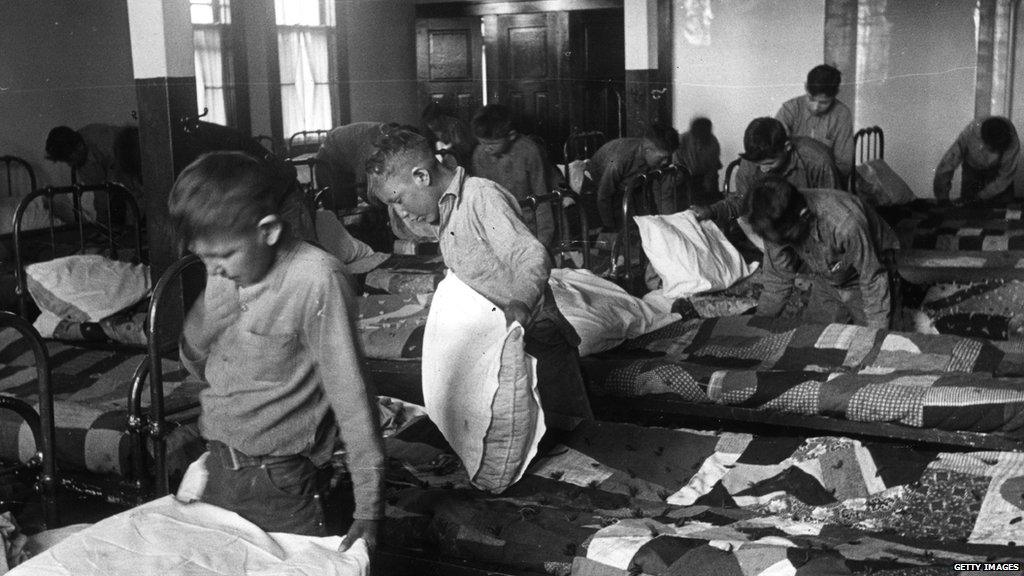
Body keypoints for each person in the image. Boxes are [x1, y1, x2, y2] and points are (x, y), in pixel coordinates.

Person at [170, 151, 384, 549]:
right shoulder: (227, 268)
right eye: (202, 258)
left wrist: (368, 511)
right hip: (217, 466)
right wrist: (202, 323)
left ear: (267, 231)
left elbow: (354, 400)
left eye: (220, 257)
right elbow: (202, 371)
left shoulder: (316, 278)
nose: (212, 269)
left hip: (282, 481)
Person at [365, 127, 593, 426]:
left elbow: (530, 254)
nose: (402, 212)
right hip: (502, 336)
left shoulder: (480, 197)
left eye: (398, 200)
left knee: (574, 432)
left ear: (422, 177)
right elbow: (412, 227)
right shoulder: (445, 208)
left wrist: (520, 302)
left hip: (537, 335)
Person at [749, 176, 898, 330]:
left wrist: (875, 334)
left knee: (876, 341)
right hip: (828, 277)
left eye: (785, 238)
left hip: (873, 270)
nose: (778, 244)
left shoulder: (844, 223)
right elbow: (777, 280)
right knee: (810, 338)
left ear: (803, 216)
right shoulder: (772, 221)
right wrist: (757, 326)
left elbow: (873, 279)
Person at [692, 117, 840, 225]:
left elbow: (832, 210)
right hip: (774, 226)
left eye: (770, 163)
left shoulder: (818, 161)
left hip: (812, 223)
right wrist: (711, 211)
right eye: (759, 164)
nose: (763, 169)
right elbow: (742, 202)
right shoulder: (750, 162)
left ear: (787, 147)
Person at [470, 103, 557, 248]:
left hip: (527, 223)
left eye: (492, 144)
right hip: (496, 223)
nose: (486, 148)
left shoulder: (529, 151)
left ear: (511, 136)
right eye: (481, 142)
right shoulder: (479, 154)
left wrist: (543, 240)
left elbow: (542, 197)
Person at [586, 123, 679, 230]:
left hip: (625, 183)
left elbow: (653, 192)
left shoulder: (651, 157)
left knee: (640, 224)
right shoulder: (619, 161)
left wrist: (660, 220)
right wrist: (609, 228)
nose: (666, 162)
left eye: (668, 157)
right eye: (663, 158)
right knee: (609, 231)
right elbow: (603, 195)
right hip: (596, 186)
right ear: (647, 150)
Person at [45, 124, 142, 224]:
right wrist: (102, 224)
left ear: (79, 146)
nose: (70, 165)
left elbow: (129, 184)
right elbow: (100, 193)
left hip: (136, 162)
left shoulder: (104, 140)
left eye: (69, 159)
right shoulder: (83, 163)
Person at [775, 64, 854, 181]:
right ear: (806, 87)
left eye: (824, 102)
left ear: (835, 94)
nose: (815, 107)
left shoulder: (842, 114)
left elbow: (844, 165)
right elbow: (775, 149)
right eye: (811, 99)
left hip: (827, 180)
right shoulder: (790, 108)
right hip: (791, 179)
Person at [933, 116, 1024, 206]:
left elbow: (1004, 177)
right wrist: (942, 197)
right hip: (972, 169)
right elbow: (948, 163)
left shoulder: (1012, 142)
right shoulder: (971, 132)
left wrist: (980, 197)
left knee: (1004, 209)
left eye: (994, 150)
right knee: (967, 209)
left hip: (997, 172)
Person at [315, 122, 391, 212]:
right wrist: (379, 206)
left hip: (341, 158)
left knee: (349, 202)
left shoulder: (383, 132)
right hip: (328, 158)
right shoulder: (371, 147)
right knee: (338, 207)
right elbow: (361, 187)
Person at [674, 116, 722, 206]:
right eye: (697, 139)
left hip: (705, 179)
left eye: (703, 139)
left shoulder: (713, 142)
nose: (699, 143)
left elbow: (713, 169)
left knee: (714, 202)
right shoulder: (681, 140)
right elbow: (677, 167)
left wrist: (709, 187)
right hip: (683, 180)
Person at [422, 101, 477, 169]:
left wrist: (447, 148)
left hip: (464, 162)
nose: (430, 126)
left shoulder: (455, 125)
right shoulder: (431, 131)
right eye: (428, 124)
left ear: (441, 118)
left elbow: (464, 148)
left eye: (431, 122)